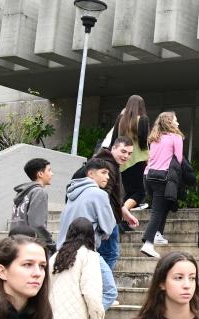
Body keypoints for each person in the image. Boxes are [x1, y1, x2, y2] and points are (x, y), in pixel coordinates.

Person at [58, 159, 118, 307]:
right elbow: (109, 227)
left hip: (63, 251)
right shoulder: (99, 194)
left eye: (108, 174)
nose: (107, 177)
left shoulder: (72, 194)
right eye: (103, 172)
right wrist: (102, 234)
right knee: (110, 292)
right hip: (85, 251)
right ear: (90, 174)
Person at [75, 136, 140, 269]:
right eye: (123, 151)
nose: (126, 156)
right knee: (110, 254)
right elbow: (104, 197)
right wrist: (107, 225)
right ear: (113, 148)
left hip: (106, 219)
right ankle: (101, 287)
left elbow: (113, 196)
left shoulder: (110, 164)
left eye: (129, 153)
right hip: (106, 220)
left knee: (106, 254)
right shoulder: (107, 166)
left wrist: (124, 212)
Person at [140, 112, 186, 258]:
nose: (178, 123)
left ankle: (158, 233)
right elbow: (178, 159)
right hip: (162, 177)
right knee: (157, 211)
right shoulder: (176, 137)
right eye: (176, 120)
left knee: (164, 205)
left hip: (148, 176)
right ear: (170, 122)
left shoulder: (154, 138)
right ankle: (148, 243)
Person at [110, 95, 151, 213]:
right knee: (139, 192)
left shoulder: (120, 119)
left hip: (122, 160)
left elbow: (114, 140)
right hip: (138, 160)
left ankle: (122, 219)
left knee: (129, 191)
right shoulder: (143, 119)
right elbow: (144, 143)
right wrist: (148, 157)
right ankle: (120, 213)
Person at [11, 158, 55, 253]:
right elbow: (37, 224)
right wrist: (51, 244)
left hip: (16, 244)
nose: (52, 174)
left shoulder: (22, 193)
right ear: (40, 174)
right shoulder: (39, 192)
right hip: (30, 246)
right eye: (49, 170)